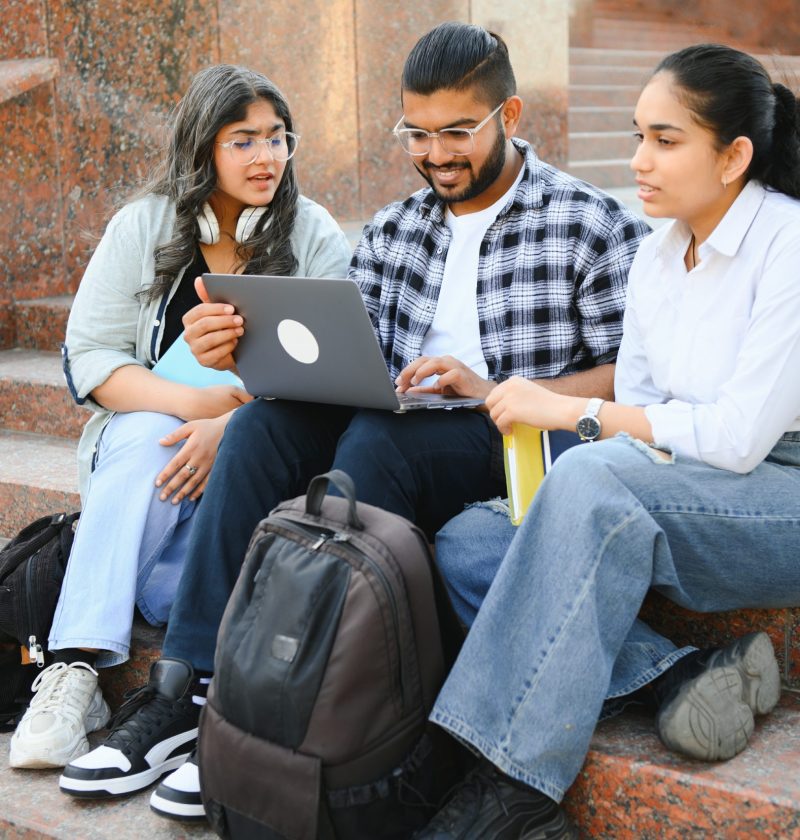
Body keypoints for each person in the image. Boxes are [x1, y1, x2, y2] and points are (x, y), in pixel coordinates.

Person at [56, 23, 648, 821]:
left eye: (455, 132)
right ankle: (185, 690)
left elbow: (636, 376)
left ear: (508, 114)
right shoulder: (396, 227)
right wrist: (238, 362)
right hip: (397, 420)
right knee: (261, 429)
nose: (434, 153)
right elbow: (343, 354)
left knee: (378, 443)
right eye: (416, 132)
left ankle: (284, 711)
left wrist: (503, 385)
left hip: (512, 434)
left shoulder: (591, 221)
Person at [416, 43, 800, 838]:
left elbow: (734, 439)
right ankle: (677, 673)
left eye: (666, 140)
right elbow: (646, 403)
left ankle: (511, 792)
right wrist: (584, 437)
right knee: (471, 539)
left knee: (587, 480)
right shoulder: (660, 255)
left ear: (734, 156)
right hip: (677, 484)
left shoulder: (788, 247)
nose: (639, 161)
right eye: (636, 136)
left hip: (779, 494)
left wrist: (572, 419)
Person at [8, 65, 351, 773]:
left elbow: (341, 369)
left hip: (260, 471)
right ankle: (73, 672)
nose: (266, 157)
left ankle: (108, 634)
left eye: (277, 138)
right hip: (154, 454)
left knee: (165, 586)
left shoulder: (312, 232)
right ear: (203, 150)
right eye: (243, 140)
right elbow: (92, 359)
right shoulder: (143, 226)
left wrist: (232, 428)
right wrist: (196, 407)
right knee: (140, 436)